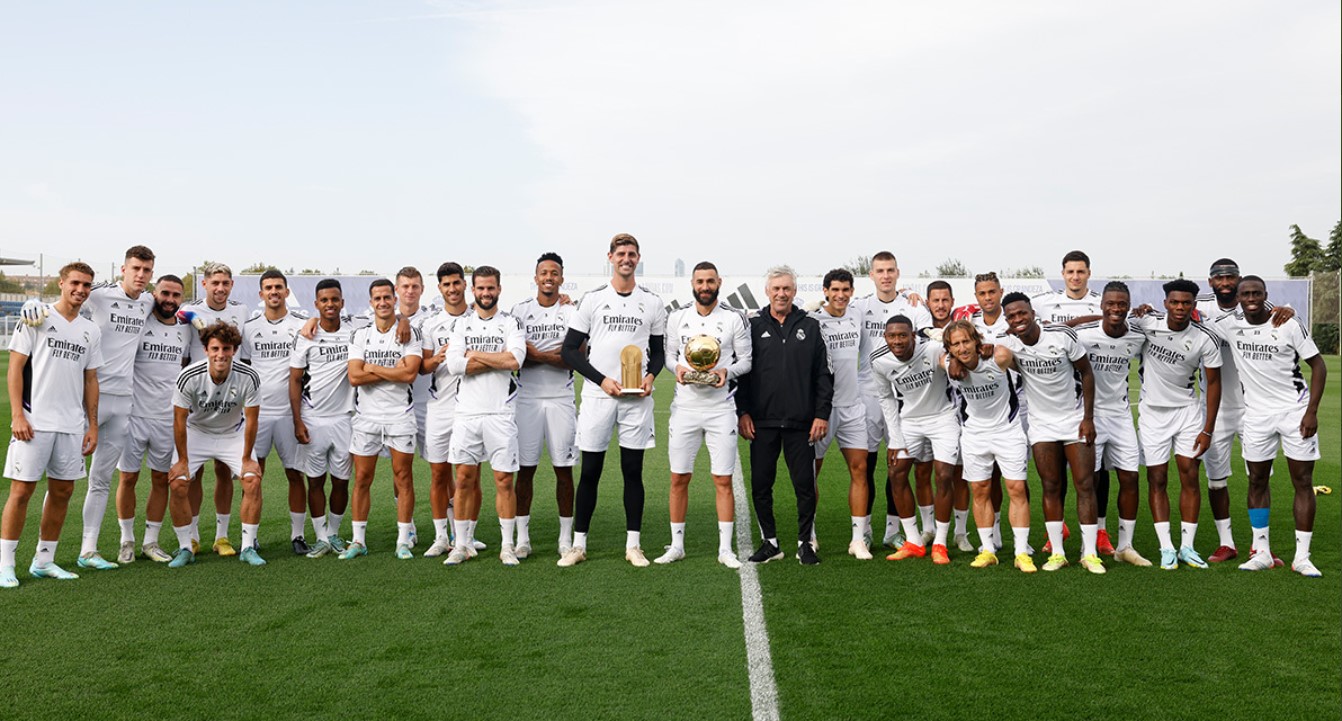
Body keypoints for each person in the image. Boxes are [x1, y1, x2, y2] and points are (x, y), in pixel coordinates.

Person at [17, 247, 154, 571]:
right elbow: (68, 298)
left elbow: (172, 308)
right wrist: (33, 301)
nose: (141, 275)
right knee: (61, 480)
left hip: (124, 402)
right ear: (123, 269)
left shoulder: (148, 301)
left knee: (102, 478)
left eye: (147, 270)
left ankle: (88, 550)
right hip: (87, 398)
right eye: (136, 268)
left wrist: (190, 315)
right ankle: (43, 555)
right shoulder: (100, 295)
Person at [558, 233, 667, 568]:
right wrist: (602, 380)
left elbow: (660, 353)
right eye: (621, 253)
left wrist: (649, 378)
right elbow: (568, 351)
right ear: (610, 257)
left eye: (632, 254)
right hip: (597, 396)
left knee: (632, 471)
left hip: (636, 400)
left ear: (638, 258)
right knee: (590, 471)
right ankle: (578, 545)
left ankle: (633, 545)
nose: (626, 259)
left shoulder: (652, 303)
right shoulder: (592, 300)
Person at [1214, 277, 1327, 577]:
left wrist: (1311, 412)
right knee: (1256, 481)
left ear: (1266, 295)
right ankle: (1261, 551)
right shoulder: (1228, 324)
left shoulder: (1288, 323)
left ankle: (1302, 557)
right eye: (1245, 294)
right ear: (1237, 298)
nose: (1251, 298)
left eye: (1256, 293)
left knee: (1302, 481)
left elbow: (1318, 365)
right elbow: (1188, 317)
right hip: (1256, 416)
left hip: (1294, 412)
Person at [1, 262, 103, 587]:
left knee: (63, 491)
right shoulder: (37, 317)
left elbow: (91, 380)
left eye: (87, 285)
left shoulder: (90, 330)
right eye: (75, 283)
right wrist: (18, 414)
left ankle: (44, 560)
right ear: (61, 283)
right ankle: (5, 564)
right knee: (21, 491)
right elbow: (15, 368)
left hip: (72, 425)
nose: (80, 290)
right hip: (34, 421)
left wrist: (93, 425)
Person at [997, 292, 1104, 574]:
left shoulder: (1060, 336)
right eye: (1012, 316)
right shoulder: (1008, 344)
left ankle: (1090, 553)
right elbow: (987, 352)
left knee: (1085, 485)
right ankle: (1057, 553)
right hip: (1041, 425)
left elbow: (1087, 373)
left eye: (1022, 313)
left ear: (1032, 313)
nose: (1018, 319)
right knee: (1051, 486)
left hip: (1074, 420)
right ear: (1006, 320)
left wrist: (1088, 418)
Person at [1195, 259, 1294, 563]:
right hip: (1214, 408)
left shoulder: (1258, 305)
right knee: (1216, 480)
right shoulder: (1199, 308)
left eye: (1230, 277)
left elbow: (1283, 323)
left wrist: (1288, 311)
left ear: (1238, 281)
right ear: (1211, 282)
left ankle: (1258, 545)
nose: (1225, 281)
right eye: (1218, 277)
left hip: (1254, 406)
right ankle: (1227, 543)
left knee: (1258, 477)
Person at [737, 265, 833, 566]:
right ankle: (770, 542)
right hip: (762, 423)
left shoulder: (811, 326)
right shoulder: (752, 326)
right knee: (761, 485)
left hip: (801, 423)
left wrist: (821, 415)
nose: (781, 293)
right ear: (767, 291)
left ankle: (805, 543)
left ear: (794, 291)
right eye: (776, 288)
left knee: (804, 485)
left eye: (787, 288)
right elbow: (742, 375)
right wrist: (743, 412)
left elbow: (824, 375)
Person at [658, 261, 751, 568]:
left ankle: (725, 549)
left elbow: (747, 361)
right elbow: (670, 357)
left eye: (710, 281)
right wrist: (680, 370)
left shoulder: (734, 318)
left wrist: (727, 370)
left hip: (720, 408)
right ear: (693, 284)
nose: (705, 286)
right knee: (678, 478)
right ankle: (677, 545)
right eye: (700, 281)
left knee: (722, 479)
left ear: (719, 282)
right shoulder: (677, 317)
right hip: (684, 408)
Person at [1131, 279, 1222, 570]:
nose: (1180, 307)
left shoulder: (1205, 338)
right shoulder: (1147, 323)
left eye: (1186, 303)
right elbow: (1112, 322)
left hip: (1187, 413)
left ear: (1194, 305)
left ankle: (1187, 546)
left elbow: (1214, 383)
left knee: (1189, 475)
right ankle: (1166, 547)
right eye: (1175, 302)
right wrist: (1136, 311)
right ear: (1165, 303)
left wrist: (1207, 429)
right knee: (1157, 479)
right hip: (1153, 415)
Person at [439, 268, 526, 566]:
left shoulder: (511, 322)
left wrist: (475, 355)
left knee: (503, 480)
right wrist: (494, 359)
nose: (486, 293)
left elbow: (514, 360)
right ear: (472, 290)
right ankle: (461, 546)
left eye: (491, 288)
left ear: (499, 289)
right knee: (463, 479)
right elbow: (454, 366)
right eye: (481, 288)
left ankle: (506, 546)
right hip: (467, 414)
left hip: (501, 413)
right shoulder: (462, 325)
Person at [940, 320, 1035, 573]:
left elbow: (1010, 353)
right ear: (949, 348)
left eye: (966, 341)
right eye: (956, 344)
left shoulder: (998, 357)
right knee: (980, 491)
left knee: (1016, 489)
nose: (962, 348)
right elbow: (940, 357)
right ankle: (988, 550)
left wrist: (991, 347)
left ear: (976, 340)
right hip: (974, 435)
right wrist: (951, 361)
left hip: (1008, 431)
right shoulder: (950, 365)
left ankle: (1022, 552)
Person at [167, 321, 264, 567]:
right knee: (178, 484)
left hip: (233, 433)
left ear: (234, 351)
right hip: (197, 432)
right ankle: (185, 547)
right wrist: (182, 461)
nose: (221, 354)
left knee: (252, 479)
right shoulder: (188, 375)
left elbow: (252, 421)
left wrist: (246, 459)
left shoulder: (249, 376)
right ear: (206, 350)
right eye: (216, 349)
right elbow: (179, 420)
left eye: (227, 349)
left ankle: (248, 547)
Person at [852, 252, 932, 548]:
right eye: (879, 271)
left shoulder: (912, 305)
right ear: (871, 275)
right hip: (870, 394)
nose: (885, 276)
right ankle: (867, 529)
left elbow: (927, 336)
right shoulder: (859, 307)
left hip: (907, 396)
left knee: (899, 463)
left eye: (890, 270)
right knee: (867, 463)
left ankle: (892, 530)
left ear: (898, 273)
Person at [341, 279, 422, 560]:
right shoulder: (360, 335)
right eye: (378, 298)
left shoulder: (410, 333)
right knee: (362, 477)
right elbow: (354, 377)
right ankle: (358, 541)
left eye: (388, 297)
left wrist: (372, 367)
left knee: (403, 477)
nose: (383, 302)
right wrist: (391, 370)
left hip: (400, 415)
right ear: (370, 302)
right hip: (367, 417)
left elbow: (410, 374)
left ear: (394, 300)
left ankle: (403, 540)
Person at [870, 316, 961, 565]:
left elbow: (950, 362)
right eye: (892, 336)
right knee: (896, 473)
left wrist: (949, 359)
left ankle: (940, 543)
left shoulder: (931, 348)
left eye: (902, 335)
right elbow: (886, 398)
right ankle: (914, 541)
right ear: (885, 337)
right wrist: (895, 439)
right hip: (909, 422)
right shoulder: (879, 361)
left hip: (943, 418)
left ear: (913, 335)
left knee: (943, 476)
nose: (897, 341)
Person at [114, 274, 190, 563]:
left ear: (181, 299)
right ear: (154, 294)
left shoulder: (186, 330)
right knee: (128, 478)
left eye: (176, 295)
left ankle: (151, 541)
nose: (169, 300)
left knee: (161, 479)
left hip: (166, 418)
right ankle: (126, 540)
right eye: (165, 293)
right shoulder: (138, 324)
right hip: (133, 415)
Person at [1074, 282, 1150, 566]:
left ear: (1128, 306)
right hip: (1088, 416)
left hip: (1120, 416)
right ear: (1101, 305)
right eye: (1111, 304)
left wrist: (1147, 312)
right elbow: (1057, 330)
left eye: (1121, 304)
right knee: (1089, 483)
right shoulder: (1083, 335)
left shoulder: (1137, 336)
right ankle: (1088, 548)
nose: (1116, 309)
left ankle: (1125, 546)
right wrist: (1094, 319)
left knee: (1130, 477)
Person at [510, 253, 578, 559]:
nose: (549, 277)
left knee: (564, 470)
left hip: (561, 398)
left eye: (554, 273)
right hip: (526, 399)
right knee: (525, 470)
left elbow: (576, 356)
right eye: (543, 273)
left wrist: (539, 354)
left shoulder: (571, 311)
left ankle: (565, 540)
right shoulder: (520, 312)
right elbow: (517, 355)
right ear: (535, 278)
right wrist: (556, 355)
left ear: (561, 278)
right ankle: (522, 539)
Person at [289, 279, 364, 558]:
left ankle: (333, 533)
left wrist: (402, 321)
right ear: (316, 304)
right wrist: (298, 421)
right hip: (313, 418)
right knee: (316, 480)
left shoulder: (356, 332)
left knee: (342, 481)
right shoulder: (305, 336)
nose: (330, 304)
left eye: (335, 299)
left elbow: (387, 318)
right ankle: (320, 537)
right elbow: (295, 379)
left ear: (342, 303)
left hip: (345, 418)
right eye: (324, 300)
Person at [179, 262, 250, 556]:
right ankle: (192, 536)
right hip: (196, 404)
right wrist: (192, 316)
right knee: (192, 475)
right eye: (214, 283)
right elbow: (177, 313)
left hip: (228, 404)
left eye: (225, 283)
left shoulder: (242, 311)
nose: (220, 288)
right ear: (204, 284)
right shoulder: (189, 310)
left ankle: (222, 537)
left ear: (231, 285)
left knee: (224, 471)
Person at [242, 270, 310, 554]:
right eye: (268, 287)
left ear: (286, 291)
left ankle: (298, 536)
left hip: (288, 413)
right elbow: (244, 369)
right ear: (261, 294)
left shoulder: (302, 325)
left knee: (295, 474)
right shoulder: (248, 328)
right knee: (254, 476)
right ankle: (250, 538)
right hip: (257, 414)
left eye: (278, 287)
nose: (273, 292)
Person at [810, 269, 870, 559]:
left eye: (846, 289)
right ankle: (809, 535)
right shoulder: (812, 319)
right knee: (811, 473)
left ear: (852, 291)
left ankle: (858, 539)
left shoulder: (857, 314)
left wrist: (909, 294)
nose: (841, 295)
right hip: (820, 410)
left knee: (859, 470)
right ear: (825, 291)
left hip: (852, 406)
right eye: (835, 290)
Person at [419, 262, 475, 557]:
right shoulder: (431, 324)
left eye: (456, 283)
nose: (452, 289)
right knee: (439, 474)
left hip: (473, 406)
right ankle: (442, 536)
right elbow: (422, 367)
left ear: (465, 284)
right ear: (439, 288)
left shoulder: (479, 317)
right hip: (439, 407)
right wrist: (439, 358)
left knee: (469, 475)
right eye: (446, 285)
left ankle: (468, 536)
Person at [924, 280, 974, 553]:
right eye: (936, 300)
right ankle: (929, 528)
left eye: (945, 300)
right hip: (931, 412)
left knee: (959, 474)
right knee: (929, 472)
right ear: (928, 302)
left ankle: (961, 532)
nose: (941, 305)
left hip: (963, 411)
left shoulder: (963, 329)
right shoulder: (920, 330)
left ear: (952, 301)